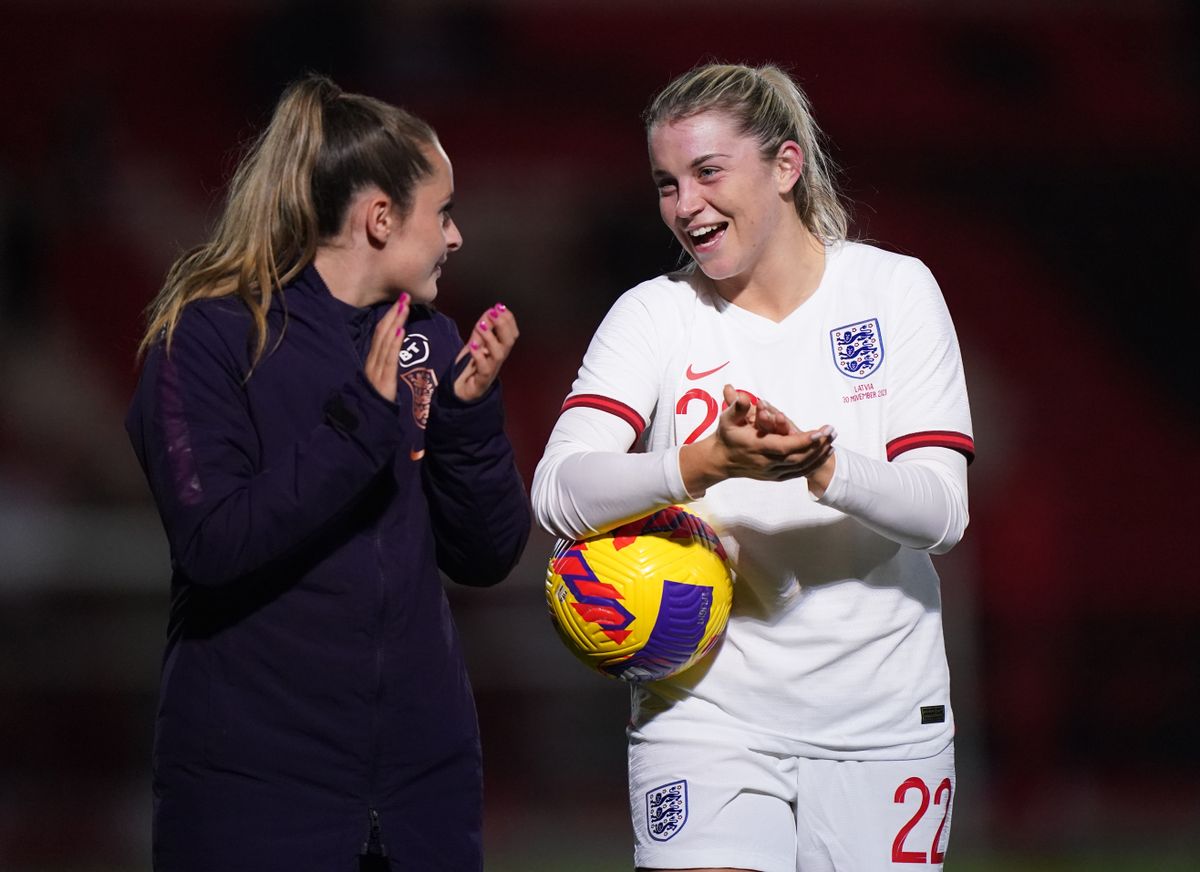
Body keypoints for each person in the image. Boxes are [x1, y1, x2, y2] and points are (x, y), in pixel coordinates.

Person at [532, 63, 973, 872]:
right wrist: (705, 463)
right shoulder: (653, 314)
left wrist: (823, 469)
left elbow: (943, 513)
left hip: (882, 719)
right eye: (667, 184)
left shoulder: (893, 290)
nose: (685, 205)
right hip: (703, 716)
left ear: (785, 165)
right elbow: (557, 490)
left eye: (708, 172)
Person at [126, 74, 530, 872]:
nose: (455, 238)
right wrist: (358, 426)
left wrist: (469, 417)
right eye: (442, 213)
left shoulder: (433, 342)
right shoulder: (207, 339)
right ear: (380, 218)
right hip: (253, 797)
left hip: (424, 797)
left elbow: (487, 556)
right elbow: (212, 542)